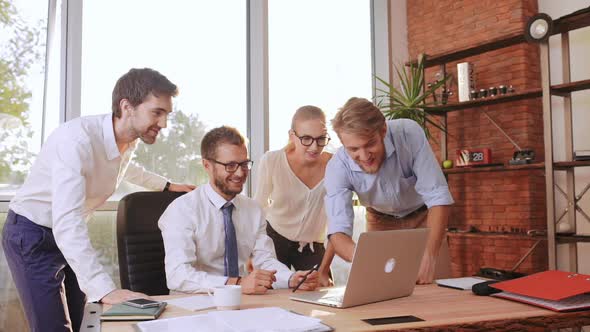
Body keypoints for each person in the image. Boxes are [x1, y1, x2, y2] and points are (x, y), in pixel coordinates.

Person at [2, 68, 195, 332]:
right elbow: (67, 222)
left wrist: (167, 185)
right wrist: (106, 290)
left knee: (86, 322)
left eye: (166, 114)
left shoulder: (125, 140)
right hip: (32, 235)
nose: (163, 124)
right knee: (54, 327)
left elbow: (127, 169)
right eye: (157, 112)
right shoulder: (76, 141)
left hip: (64, 235)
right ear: (127, 107)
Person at [158, 126, 318, 294]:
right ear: (207, 165)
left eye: (244, 164)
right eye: (231, 165)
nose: (240, 173)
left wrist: (291, 278)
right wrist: (235, 283)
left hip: (240, 302)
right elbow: (178, 274)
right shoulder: (182, 210)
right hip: (193, 305)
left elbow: (265, 260)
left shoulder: (253, 209)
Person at [325, 97, 454, 284]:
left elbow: (438, 196)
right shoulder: (337, 168)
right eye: (353, 149)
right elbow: (338, 232)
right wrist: (364, 259)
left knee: (437, 289)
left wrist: (429, 256)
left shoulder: (408, 134)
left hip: (424, 218)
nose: (364, 156)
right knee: (382, 293)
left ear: (383, 130)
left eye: (370, 144)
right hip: (380, 221)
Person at [253, 105, 335, 287]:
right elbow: (257, 207)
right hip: (275, 239)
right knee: (272, 296)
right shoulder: (272, 160)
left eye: (321, 139)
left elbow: (336, 221)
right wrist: (252, 252)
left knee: (320, 293)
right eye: (306, 138)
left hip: (312, 245)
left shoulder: (334, 165)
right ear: (292, 136)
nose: (315, 147)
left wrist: (324, 269)